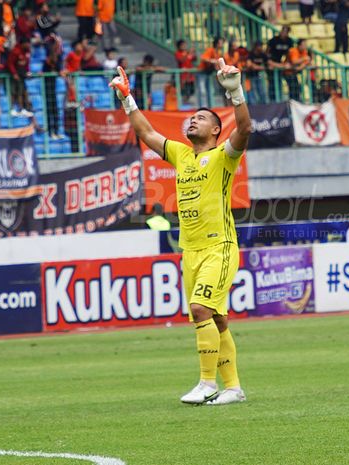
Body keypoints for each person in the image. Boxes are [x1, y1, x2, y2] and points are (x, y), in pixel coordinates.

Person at [110, 57, 251, 406]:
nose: (193, 120)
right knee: (217, 318)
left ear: (216, 130)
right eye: (192, 118)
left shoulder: (223, 156)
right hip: (191, 250)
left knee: (200, 308)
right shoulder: (181, 155)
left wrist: (235, 92)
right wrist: (128, 99)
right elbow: (146, 133)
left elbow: (245, 129)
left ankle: (207, 383)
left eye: (201, 118)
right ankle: (233, 388)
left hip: (219, 247)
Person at [43, 29, 64, 139]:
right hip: (47, 88)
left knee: (55, 110)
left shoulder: (58, 58)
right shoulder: (47, 60)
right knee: (49, 109)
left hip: (53, 88)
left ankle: (56, 130)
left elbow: (60, 69)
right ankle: (50, 132)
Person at [7, 38, 34, 117]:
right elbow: (10, 63)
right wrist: (14, 73)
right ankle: (12, 109)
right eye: (27, 44)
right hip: (15, 76)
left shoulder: (27, 52)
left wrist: (28, 72)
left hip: (22, 75)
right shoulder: (15, 51)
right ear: (23, 44)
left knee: (22, 92)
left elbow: (27, 63)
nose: (28, 45)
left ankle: (22, 109)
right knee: (14, 92)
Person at [198, 37, 224, 107]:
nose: (222, 44)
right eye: (221, 43)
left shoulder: (217, 53)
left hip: (209, 73)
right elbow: (203, 58)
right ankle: (203, 107)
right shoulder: (210, 50)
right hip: (202, 72)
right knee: (202, 91)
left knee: (210, 91)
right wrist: (212, 61)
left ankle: (210, 107)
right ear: (217, 44)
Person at [267, 26, 291, 101]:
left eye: (286, 32)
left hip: (280, 63)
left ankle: (280, 98)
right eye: (283, 31)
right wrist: (269, 62)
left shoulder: (289, 41)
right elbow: (267, 52)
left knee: (279, 82)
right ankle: (272, 99)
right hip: (272, 62)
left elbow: (288, 54)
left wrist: (285, 63)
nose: (283, 33)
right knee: (272, 82)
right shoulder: (274, 40)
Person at [245, 41, 268, 105]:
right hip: (250, 76)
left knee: (261, 91)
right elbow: (249, 64)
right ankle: (254, 105)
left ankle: (263, 104)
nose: (261, 48)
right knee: (252, 91)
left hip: (258, 75)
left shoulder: (262, 54)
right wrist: (261, 67)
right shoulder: (251, 54)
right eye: (260, 46)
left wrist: (256, 67)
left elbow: (269, 63)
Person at [175, 39, 196, 104]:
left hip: (190, 76)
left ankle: (186, 101)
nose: (184, 46)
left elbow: (194, 58)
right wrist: (188, 54)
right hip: (183, 76)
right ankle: (184, 103)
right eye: (182, 45)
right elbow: (181, 60)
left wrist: (193, 52)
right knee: (184, 91)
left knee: (191, 90)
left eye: (185, 45)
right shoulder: (178, 53)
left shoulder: (187, 53)